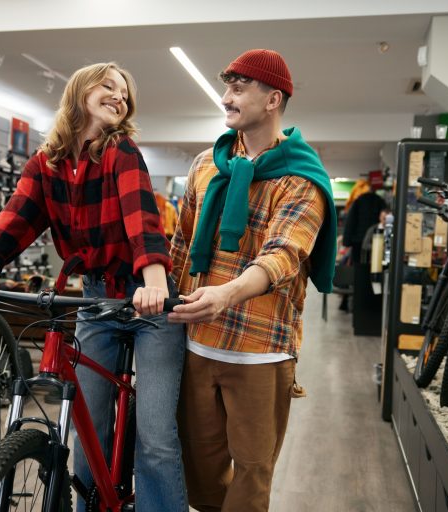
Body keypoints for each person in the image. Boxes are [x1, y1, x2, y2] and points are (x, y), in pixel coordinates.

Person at [0, 62, 188, 512]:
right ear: (79, 92)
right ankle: (90, 504)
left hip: (149, 302)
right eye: (108, 86)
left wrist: (154, 284)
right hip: (96, 299)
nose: (119, 96)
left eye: (125, 92)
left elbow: (141, 217)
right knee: (86, 423)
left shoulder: (120, 151)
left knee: (155, 437)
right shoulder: (45, 164)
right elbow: (14, 222)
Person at [168, 49, 337, 512]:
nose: (226, 98)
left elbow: (284, 255)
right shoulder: (206, 165)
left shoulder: (301, 177)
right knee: (200, 475)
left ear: (273, 99)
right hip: (197, 343)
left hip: (261, 352)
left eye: (238, 89)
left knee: (252, 476)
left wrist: (227, 292)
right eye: (226, 88)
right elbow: (180, 246)